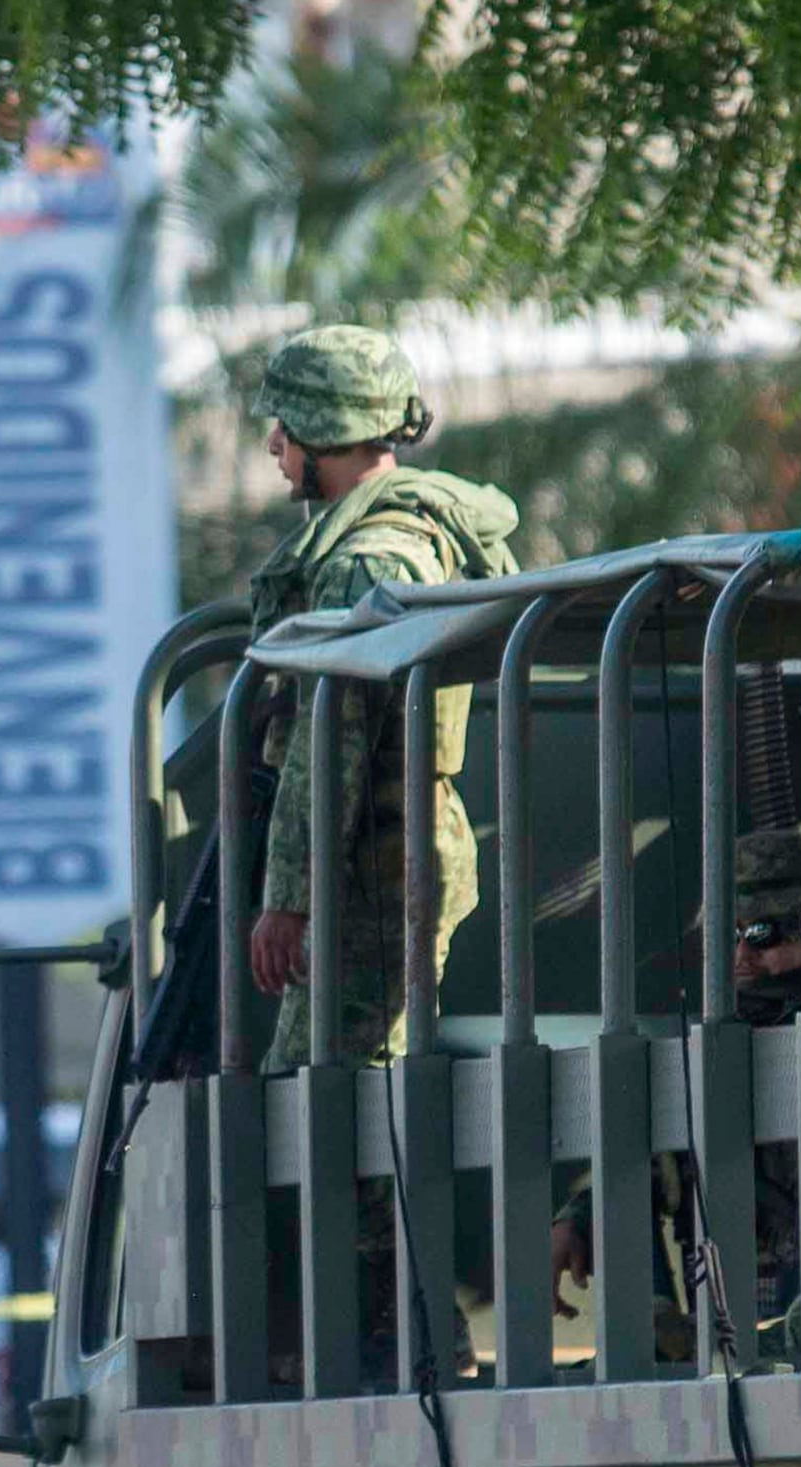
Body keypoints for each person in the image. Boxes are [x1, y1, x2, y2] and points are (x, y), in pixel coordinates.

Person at [242, 325, 523, 1070]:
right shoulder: (414, 535)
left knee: (320, 1098)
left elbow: (327, 744)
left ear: (325, 427)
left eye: (288, 422)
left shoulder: (364, 561)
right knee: (354, 1096)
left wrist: (291, 897)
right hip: (393, 847)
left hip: (373, 859)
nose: (275, 443)